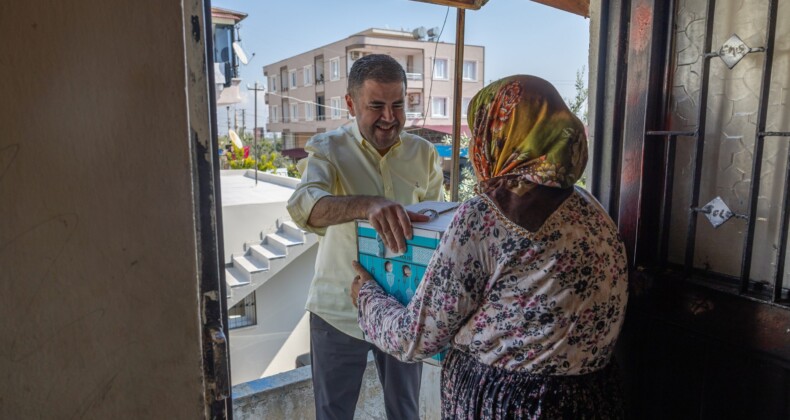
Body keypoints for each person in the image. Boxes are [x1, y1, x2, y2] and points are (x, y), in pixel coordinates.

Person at [351, 75, 629, 419]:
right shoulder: (591, 208)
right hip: (593, 400)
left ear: (494, 135)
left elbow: (415, 338)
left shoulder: (488, 214)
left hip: (510, 404)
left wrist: (367, 297)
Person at [287, 54, 444, 420]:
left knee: (405, 413)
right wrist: (367, 206)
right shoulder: (327, 150)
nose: (389, 117)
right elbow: (304, 207)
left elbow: (437, 224)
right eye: (376, 106)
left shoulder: (424, 154)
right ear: (350, 103)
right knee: (333, 414)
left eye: (398, 105)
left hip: (403, 312)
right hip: (338, 312)